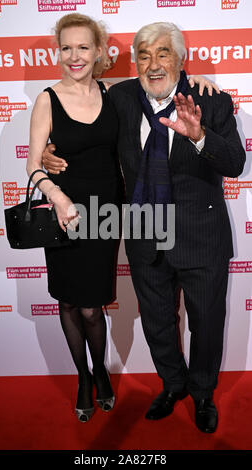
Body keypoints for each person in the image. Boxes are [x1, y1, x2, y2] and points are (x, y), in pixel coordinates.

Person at [42, 20, 236, 433]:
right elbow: (86, 130)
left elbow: (235, 163)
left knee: (206, 322)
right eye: (144, 55)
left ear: (180, 59)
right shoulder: (123, 97)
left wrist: (200, 134)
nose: (153, 64)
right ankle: (172, 384)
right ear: (134, 62)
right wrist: (49, 151)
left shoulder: (211, 101)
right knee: (157, 320)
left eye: (163, 53)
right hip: (146, 232)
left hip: (201, 235)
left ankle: (202, 392)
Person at [26, 13, 124, 423]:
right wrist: (57, 195)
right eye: (66, 48)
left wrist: (200, 83)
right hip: (63, 216)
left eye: (83, 47)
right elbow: (33, 167)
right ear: (58, 52)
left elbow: (163, 87)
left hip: (105, 215)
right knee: (69, 301)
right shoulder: (47, 98)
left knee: (91, 306)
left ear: (99, 51)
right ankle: (83, 377)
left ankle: (100, 368)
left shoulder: (115, 94)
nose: (74, 56)